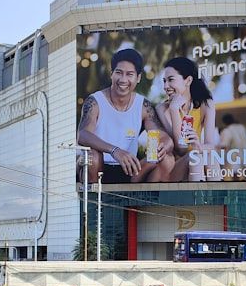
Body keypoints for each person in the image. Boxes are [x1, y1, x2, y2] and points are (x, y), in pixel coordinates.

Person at [77, 47, 174, 184]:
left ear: (138, 78)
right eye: (119, 73)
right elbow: (82, 134)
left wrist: (164, 146)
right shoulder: (95, 101)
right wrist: (115, 151)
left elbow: (162, 136)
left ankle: (140, 204)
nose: (123, 79)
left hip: (129, 170)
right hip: (98, 168)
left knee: (167, 159)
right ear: (111, 74)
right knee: (93, 156)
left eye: (129, 74)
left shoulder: (143, 105)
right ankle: (93, 204)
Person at [159, 56, 219, 182]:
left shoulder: (206, 104)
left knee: (208, 158)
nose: (166, 86)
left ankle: (217, 201)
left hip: (197, 160)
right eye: (164, 81)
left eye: (170, 80)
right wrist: (174, 110)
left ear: (188, 80)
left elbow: (210, 144)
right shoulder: (162, 109)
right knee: (195, 158)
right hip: (173, 169)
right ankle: (196, 200)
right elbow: (180, 149)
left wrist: (199, 146)